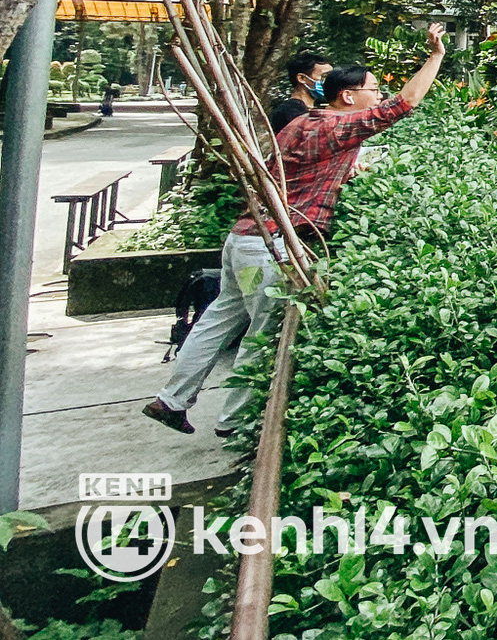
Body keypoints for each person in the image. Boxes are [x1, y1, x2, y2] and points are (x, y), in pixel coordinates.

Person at [144, 23, 448, 437]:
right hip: (273, 247)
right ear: (349, 96)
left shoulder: (302, 123)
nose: (377, 96)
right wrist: (435, 57)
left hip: (243, 240)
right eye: (372, 90)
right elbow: (403, 104)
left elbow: (308, 167)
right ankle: (234, 423)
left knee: (217, 319)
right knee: (262, 333)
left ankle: (171, 400)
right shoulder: (337, 127)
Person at [269, 51, 332, 135]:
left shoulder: (313, 108)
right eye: (324, 76)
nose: (330, 82)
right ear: (302, 78)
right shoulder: (290, 111)